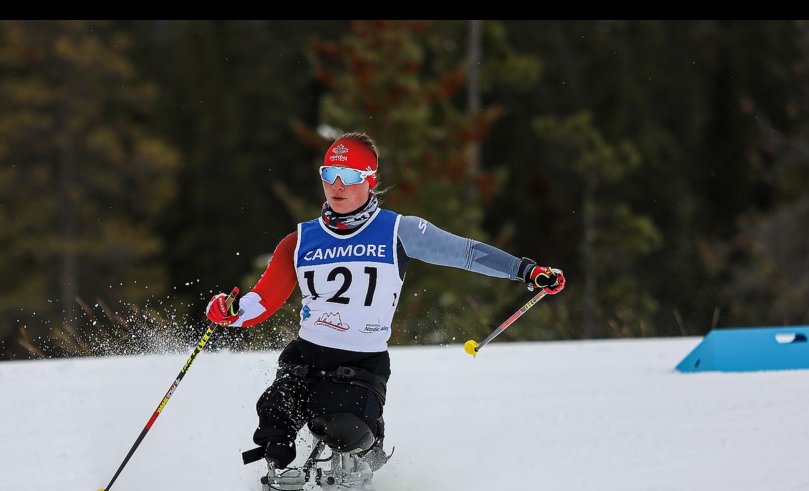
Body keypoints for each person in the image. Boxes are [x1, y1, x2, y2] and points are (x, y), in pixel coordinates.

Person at [205, 132, 565, 473]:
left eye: (348, 175)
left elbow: (466, 253)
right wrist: (228, 312)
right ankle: (279, 478)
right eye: (329, 174)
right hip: (307, 356)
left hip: (361, 361)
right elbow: (260, 301)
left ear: (371, 179)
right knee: (274, 416)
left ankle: (365, 452)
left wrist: (526, 271)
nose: (337, 186)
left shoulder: (398, 231)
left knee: (339, 426)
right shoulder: (299, 240)